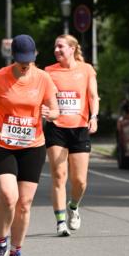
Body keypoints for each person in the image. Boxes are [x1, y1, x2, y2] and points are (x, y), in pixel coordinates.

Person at [0, 34, 59, 256]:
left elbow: (55, 109)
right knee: (8, 196)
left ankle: (16, 253)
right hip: (2, 144)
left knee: (24, 203)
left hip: (32, 146)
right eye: (20, 59)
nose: (25, 64)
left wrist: (50, 114)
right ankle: (1, 243)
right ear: (13, 57)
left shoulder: (43, 78)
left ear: (35, 55)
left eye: (29, 59)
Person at [44, 34, 99, 236]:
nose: (56, 50)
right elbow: (44, 96)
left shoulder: (86, 70)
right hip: (56, 128)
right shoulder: (49, 71)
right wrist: (45, 109)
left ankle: (73, 206)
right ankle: (60, 222)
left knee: (80, 181)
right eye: (55, 47)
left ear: (72, 49)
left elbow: (93, 96)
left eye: (61, 46)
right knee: (59, 176)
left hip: (80, 128)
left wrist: (94, 117)